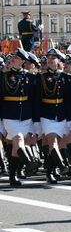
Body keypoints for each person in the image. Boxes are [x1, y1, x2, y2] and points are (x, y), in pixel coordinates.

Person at [35, 48, 71, 183]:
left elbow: (69, 100)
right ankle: (62, 165)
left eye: (53, 58)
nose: (50, 60)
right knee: (52, 141)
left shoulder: (66, 77)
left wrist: (69, 119)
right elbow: (36, 99)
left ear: (58, 60)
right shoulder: (40, 77)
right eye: (49, 58)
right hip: (46, 113)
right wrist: (36, 120)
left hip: (61, 114)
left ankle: (50, 172)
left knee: (56, 143)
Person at [1, 49, 38, 186]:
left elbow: (35, 99)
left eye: (17, 58)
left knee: (16, 146)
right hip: (9, 114)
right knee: (18, 138)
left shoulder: (31, 77)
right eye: (13, 57)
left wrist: (35, 119)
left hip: (26, 116)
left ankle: (12, 176)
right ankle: (29, 160)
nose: (13, 59)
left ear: (23, 61)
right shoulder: (4, 76)